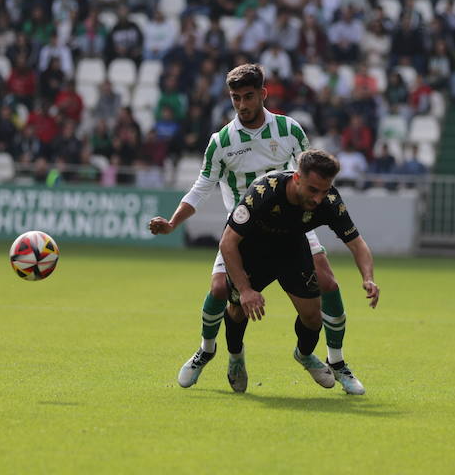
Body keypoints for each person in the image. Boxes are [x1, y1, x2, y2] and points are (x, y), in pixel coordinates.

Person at [147, 64, 366, 394]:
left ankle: (336, 361)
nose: (242, 104)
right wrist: (173, 222)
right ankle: (209, 350)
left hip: (292, 223)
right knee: (220, 291)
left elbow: (309, 172)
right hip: (244, 230)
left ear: (263, 94)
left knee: (328, 283)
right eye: (235, 98)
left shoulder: (289, 129)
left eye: (248, 97)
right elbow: (201, 187)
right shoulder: (221, 141)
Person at [218, 149, 380, 393]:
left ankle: (304, 354)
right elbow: (227, 243)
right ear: (297, 178)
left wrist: (368, 278)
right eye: (313, 190)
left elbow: (357, 244)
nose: (318, 198)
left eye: (324, 191)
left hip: (291, 250)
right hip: (251, 252)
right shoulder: (264, 191)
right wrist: (245, 289)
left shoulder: (329, 201)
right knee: (237, 311)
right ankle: (236, 357)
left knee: (313, 316)